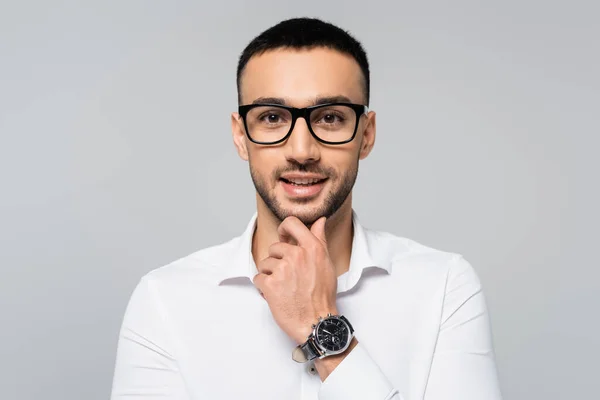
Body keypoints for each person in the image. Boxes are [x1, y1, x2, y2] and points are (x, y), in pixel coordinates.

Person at [110, 17, 503, 400]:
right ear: (240, 136)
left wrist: (320, 325)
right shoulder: (165, 300)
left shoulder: (444, 287)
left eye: (330, 118)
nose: (301, 151)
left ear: (366, 135)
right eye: (271, 117)